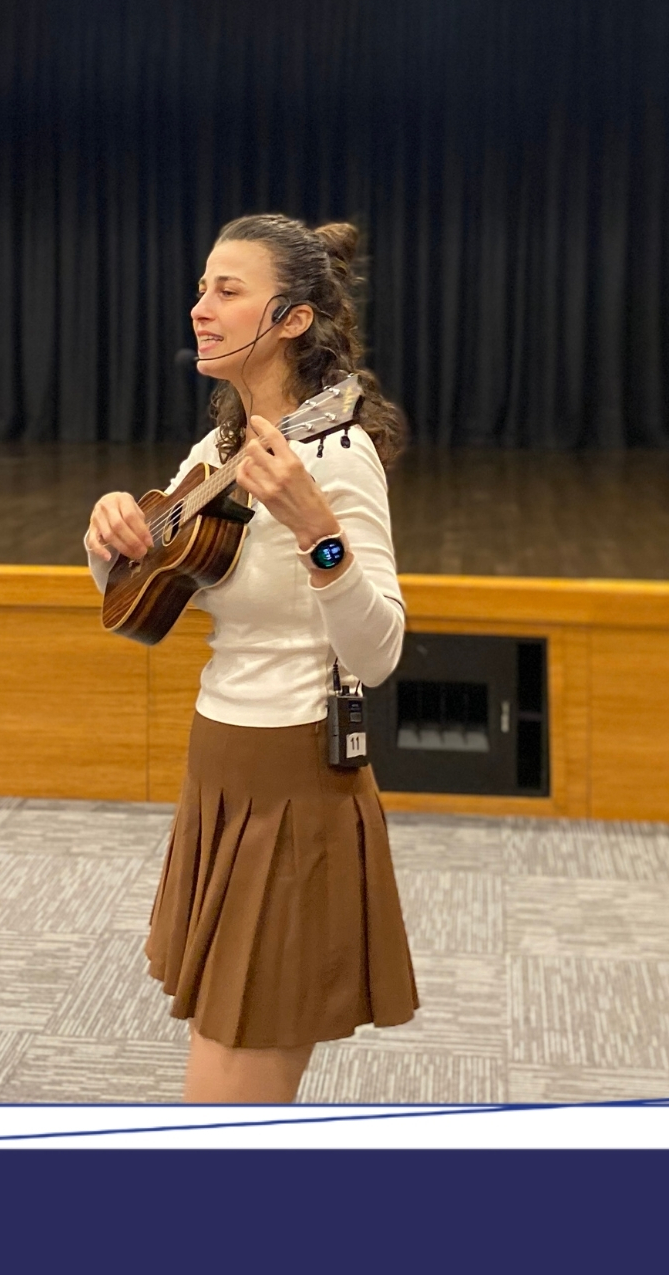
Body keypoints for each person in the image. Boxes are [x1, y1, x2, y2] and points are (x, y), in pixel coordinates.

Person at [84, 213, 418, 1104]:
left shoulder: (336, 455)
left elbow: (379, 650)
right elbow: (137, 600)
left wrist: (317, 532)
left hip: (294, 780)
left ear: (293, 319)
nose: (200, 308)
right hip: (220, 765)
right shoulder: (219, 453)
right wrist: (108, 537)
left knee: (223, 1109)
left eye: (227, 291)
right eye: (202, 288)